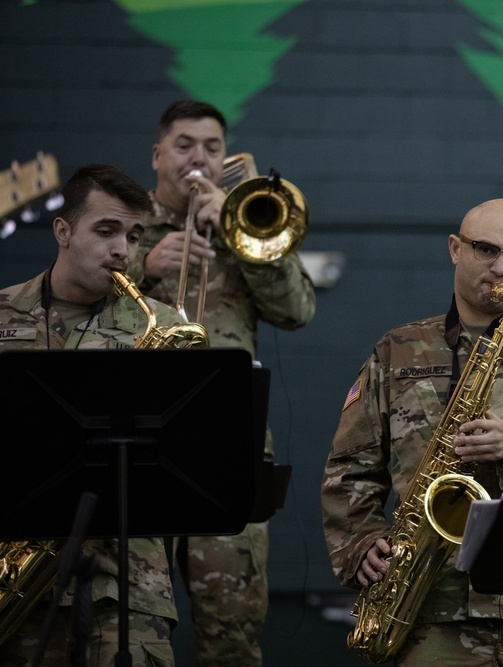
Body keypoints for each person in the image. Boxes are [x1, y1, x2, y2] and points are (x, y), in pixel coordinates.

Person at [321, 198, 503, 665]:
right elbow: (348, 471)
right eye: (486, 250)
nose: (500, 268)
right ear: (455, 249)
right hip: (430, 611)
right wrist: (360, 545)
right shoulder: (398, 350)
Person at [129, 99, 317, 666]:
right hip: (137, 448)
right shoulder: (126, 222)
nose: (199, 158)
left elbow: (297, 310)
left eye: (213, 147)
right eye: (185, 145)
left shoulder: (246, 215)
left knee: (231, 635)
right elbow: (75, 301)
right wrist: (144, 266)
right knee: (131, 628)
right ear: (158, 154)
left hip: (226, 451)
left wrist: (242, 240)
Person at [0, 163, 179, 665]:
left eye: (134, 234)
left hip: (125, 589)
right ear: (63, 231)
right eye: (106, 230)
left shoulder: (162, 327)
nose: (123, 248)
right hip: (16, 579)